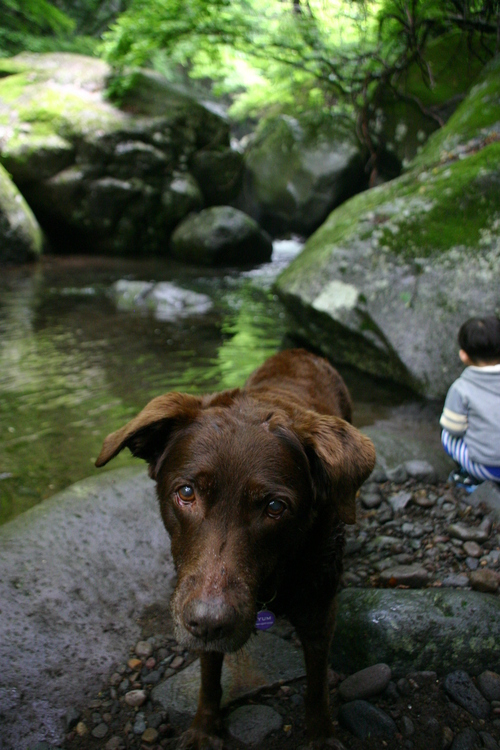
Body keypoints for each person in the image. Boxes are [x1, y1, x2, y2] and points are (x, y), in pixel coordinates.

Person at [440, 315, 500, 487]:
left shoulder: (461, 388)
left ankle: (470, 478)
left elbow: (454, 429)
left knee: (446, 433)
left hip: (488, 468)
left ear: (464, 356)